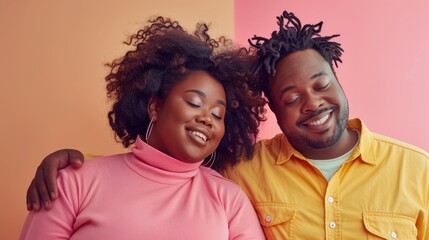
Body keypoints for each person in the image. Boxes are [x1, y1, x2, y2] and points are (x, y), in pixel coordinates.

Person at [25, 10, 429, 239]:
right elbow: (153, 172)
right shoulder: (247, 168)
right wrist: (70, 164)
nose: (312, 104)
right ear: (272, 109)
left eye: (322, 85)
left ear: (339, 83)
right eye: (290, 98)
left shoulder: (417, 171)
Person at [20, 16, 267, 240]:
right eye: (194, 103)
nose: (207, 119)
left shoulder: (229, 200)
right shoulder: (72, 181)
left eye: (218, 114)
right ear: (155, 107)